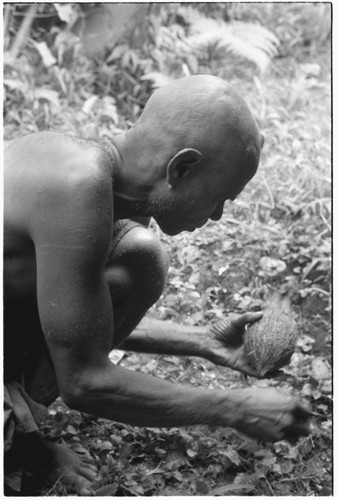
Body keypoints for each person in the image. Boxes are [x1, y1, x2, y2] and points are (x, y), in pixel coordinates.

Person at [4, 75, 311, 495]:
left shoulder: (101, 177)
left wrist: (202, 340)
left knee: (140, 258)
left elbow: (77, 322)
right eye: (220, 197)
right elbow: (85, 381)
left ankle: (19, 421)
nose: (218, 215)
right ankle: (18, 443)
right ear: (181, 168)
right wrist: (232, 407)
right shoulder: (74, 185)